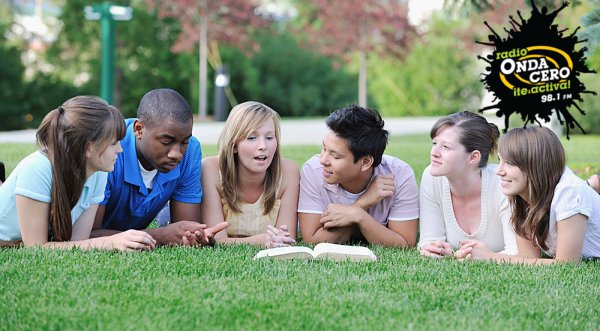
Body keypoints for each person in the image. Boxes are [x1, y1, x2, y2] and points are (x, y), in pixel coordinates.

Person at [0, 96, 156, 250]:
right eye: (113, 143)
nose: (120, 150)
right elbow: (36, 247)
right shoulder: (37, 168)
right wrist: (109, 242)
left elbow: (78, 241)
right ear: (88, 148)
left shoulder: (98, 173)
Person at [92, 88, 227, 246]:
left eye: (184, 142)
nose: (177, 154)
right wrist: (161, 234)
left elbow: (185, 228)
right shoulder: (109, 150)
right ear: (139, 129)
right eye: (166, 141)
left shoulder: (190, 151)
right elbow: (87, 235)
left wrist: (194, 236)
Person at [457, 126, 600, 262]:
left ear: (536, 166)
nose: (499, 171)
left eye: (510, 163)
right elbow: (528, 258)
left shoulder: (570, 191)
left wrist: (490, 257)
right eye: (500, 160)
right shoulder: (520, 192)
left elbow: (567, 264)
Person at [298, 105, 419, 247]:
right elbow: (312, 240)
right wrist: (361, 204)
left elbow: (404, 243)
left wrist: (360, 217)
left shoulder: (399, 175)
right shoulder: (313, 170)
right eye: (324, 148)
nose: (323, 160)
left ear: (366, 162)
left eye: (335, 156)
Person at [418, 111, 517, 258]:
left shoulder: (503, 183)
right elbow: (429, 241)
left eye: (445, 147)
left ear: (473, 157)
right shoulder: (432, 178)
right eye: (435, 143)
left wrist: (486, 257)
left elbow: (518, 253)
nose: (434, 152)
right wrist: (435, 249)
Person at [200, 101, 299, 247]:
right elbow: (217, 240)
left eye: (269, 137)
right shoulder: (210, 169)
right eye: (252, 138)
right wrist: (259, 241)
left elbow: (286, 238)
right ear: (234, 145)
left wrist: (275, 240)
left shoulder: (288, 171)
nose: (263, 146)